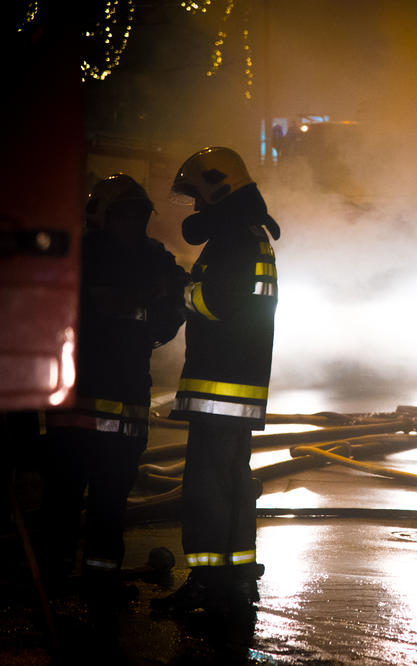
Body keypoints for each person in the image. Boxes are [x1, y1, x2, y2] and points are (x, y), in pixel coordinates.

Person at [40, 173, 186, 603]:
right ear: (102, 216)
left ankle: (98, 584)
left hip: (124, 406)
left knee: (109, 504)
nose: (134, 223)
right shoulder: (76, 259)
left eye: (139, 214)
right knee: (64, 499)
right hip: (79, 406)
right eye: (125, 214)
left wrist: (136, 312)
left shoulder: (157, 260)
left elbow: (172, 311)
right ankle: (53, 580)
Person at [151, 147, 279, 615]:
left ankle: (207, 582)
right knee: (232, 483)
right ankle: (236, 577)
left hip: (219, 387)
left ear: (217, 191)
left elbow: (217, 304)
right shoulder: (247, 236)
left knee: (206, 487)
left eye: (199, 198)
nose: (198, 209)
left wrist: (178, 289)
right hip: (234, 388)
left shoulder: (234, 242)